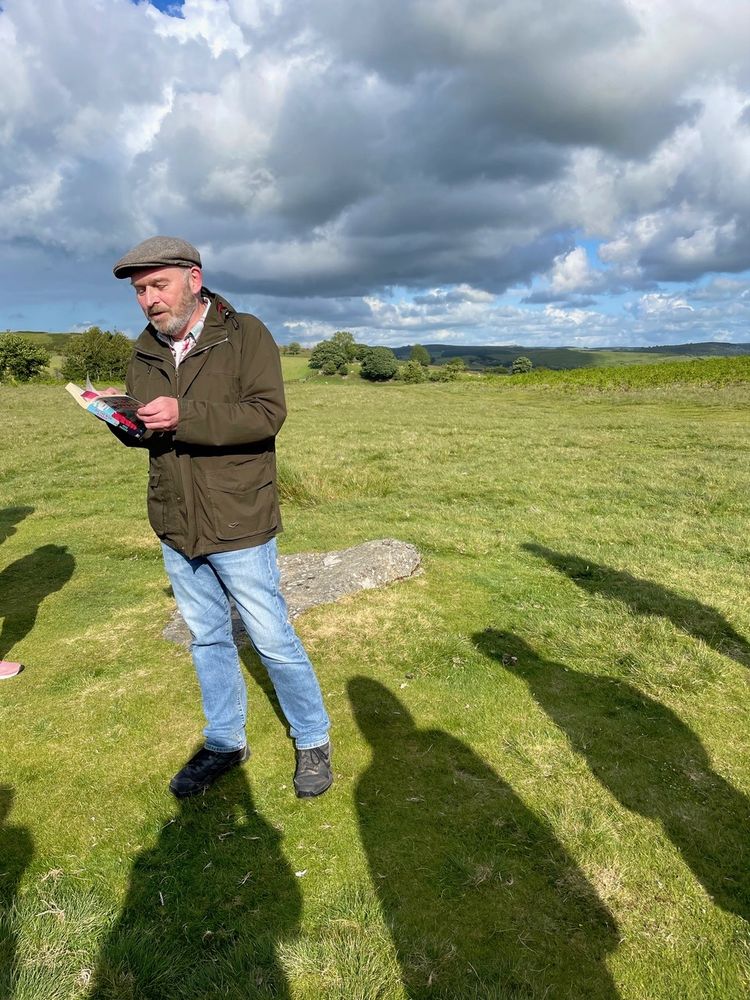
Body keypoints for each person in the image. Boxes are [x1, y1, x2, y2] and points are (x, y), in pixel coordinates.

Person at [108, 235, 331, 799]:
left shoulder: (245, 333)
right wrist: (124, 420)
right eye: (140, 291)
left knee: (272, 635)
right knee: (207, 638)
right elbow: (152, 435)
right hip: (176, 521)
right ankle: (225, 742)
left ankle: (312, 740)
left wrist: (185, 414)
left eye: (158, 285)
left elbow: (266, 415)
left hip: (239, 517)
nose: (149, 300)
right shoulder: (144, 351)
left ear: (194, 279)